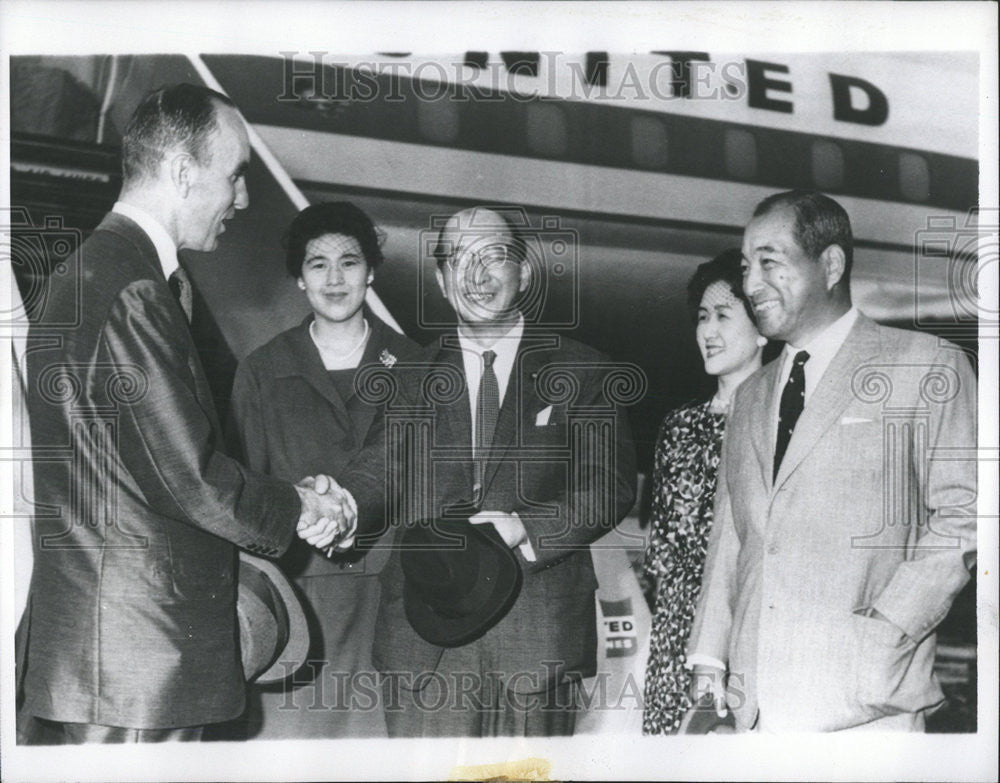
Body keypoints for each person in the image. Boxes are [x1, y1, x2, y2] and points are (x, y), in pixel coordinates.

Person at [19, 84, 351, 744]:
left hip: (104, 660)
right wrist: (300, 506)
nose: (243, 198)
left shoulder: (87, 271)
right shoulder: (134, 288)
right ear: (180, 172)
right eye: (234, 176)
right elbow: (190, 478)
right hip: (139, 669)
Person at [685, 190, 977, 732]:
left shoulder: (925, 364)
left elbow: (965, 514)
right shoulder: (751, 395)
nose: (751, 285)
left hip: (864, 704)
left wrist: (889, 628)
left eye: (770, 263)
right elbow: (734, 534)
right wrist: (709, 659)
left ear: (831, 264)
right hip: (754, 708)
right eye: (747, 266)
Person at [342, 206, 638, 737]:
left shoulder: (583, 371)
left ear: (523, 272)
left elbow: (607, 485)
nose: (476, 276)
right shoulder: (408, 378)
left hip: (535, 645)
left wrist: (525, 525)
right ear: (440, 278)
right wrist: (337, 507)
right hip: (424, 646)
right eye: (459, 260)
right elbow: (378, 471)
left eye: (493, 257)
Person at [225, 202, 420, 738]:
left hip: (395, 605)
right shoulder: (262, 371)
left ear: (371, 271)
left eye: (349, 261)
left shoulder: (419, 367)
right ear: (298, 279)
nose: (335, 279)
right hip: (297, 604)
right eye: (317, 264)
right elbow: (246, 502)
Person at [641, 249, 766, 735]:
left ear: (761, 329)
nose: (708, 331)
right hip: (676, 633)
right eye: (701, 317)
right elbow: (663, 549)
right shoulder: (679, 425)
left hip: (748, 627)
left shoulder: (783, 423)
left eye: (723, 315)